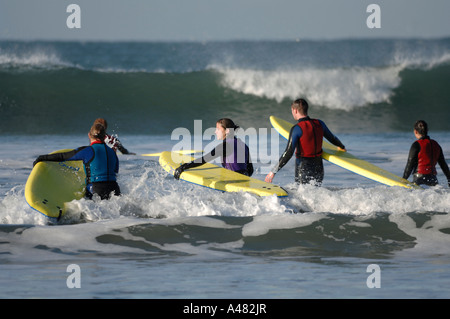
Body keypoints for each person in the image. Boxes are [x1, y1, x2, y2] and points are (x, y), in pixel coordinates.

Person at [265, 98, 346, 186]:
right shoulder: (320, 123)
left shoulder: (297, 128)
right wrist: (342, 146)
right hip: (319, 167)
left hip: (303, 168)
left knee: (302, 194)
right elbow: (332, 138)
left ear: (295, 110)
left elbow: (288, 152)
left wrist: (273, 171)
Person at [33, 123, 121, 200]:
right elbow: (115, 172)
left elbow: (64, 156)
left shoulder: (88, 150)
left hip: (96, 190)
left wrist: (41, 158)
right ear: (105, 137)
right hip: (115, 189)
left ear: (89, 135)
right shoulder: (112, 152)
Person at [174, 118, 254, 179]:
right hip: (244, 179)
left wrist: (183, 167)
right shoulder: (243, 145)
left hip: (233, 181)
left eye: (218, 129)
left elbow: (203, 160)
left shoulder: (225, 146)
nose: (215, 132)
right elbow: (250, 170)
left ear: (227, 131)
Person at [403, 120, 450, 187]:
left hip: (419, 179)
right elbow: (443, 164)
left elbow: (410, 162)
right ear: (427, 130)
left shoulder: (416, 144)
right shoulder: (436, 145)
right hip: (433, 179)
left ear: (415, 131)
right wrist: (449, 179)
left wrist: (404, 179)